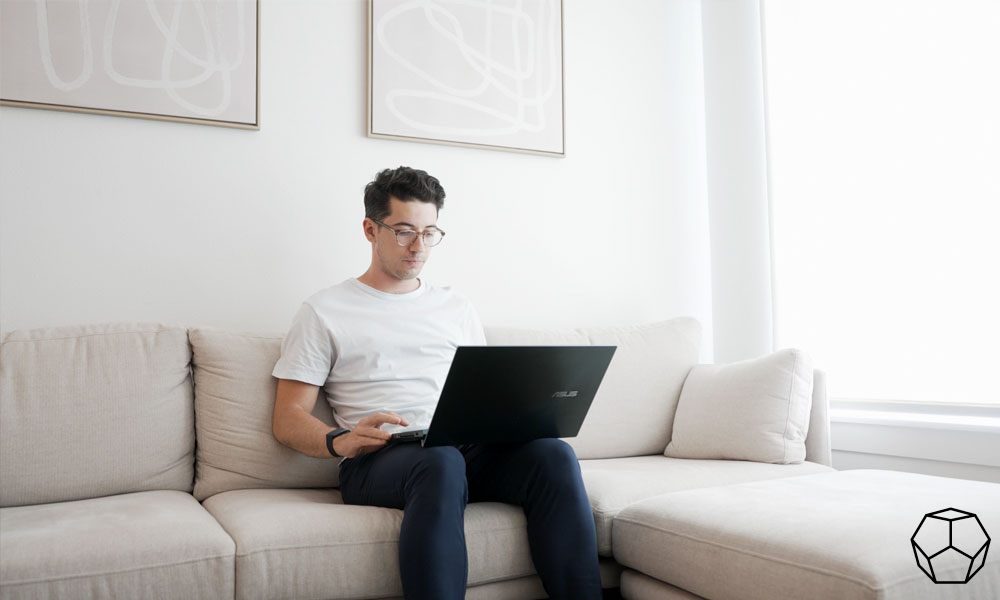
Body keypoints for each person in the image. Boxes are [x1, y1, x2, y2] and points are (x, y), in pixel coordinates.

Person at [271, 166, 602, 600]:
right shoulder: (323, 310)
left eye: (430, 233)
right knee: (441, 461)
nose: (419, 247)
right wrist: (342, 440)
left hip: (461, 448)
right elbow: (287, 417)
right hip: (382, 459)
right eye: (405, 231)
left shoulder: (455, 306)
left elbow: (485, 393)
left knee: (553, 454)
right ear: (371, 229)